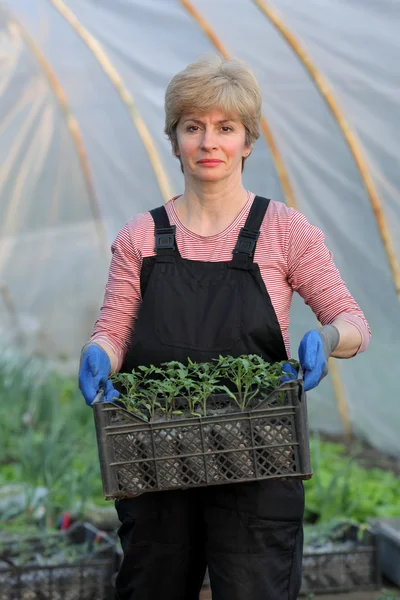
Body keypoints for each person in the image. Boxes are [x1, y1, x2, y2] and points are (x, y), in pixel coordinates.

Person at [78, 55, 370, 600]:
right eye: (194, 127)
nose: (209, 142)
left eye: (225, 128)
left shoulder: (285, 231)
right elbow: (114, 329)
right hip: (156, 448)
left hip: (258, 450)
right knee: (153, 584)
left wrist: (325, 341)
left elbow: (352, 321)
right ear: (175, 140)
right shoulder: (141, 236)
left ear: (248, 141)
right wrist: (99, 351)